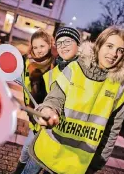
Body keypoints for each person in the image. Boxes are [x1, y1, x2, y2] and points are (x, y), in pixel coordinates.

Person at [28, 26, 124, 174]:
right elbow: (55, 98)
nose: (114, 54)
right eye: (109, 46)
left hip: (78, 164)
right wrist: (48, 110)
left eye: (120, 50)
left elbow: (112, 129)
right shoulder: (75, 68)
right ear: (99, 44)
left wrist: (97, 162)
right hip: (52, 150)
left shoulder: (122, 87)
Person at [14, 27, 81, 174]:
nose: (38, 50)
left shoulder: (57, 64)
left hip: (51, 120)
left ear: (50, 45)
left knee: (35, 158)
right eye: (35, 47)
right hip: (35, 116)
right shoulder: (27, 62)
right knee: (26, 151)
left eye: (42, 46)